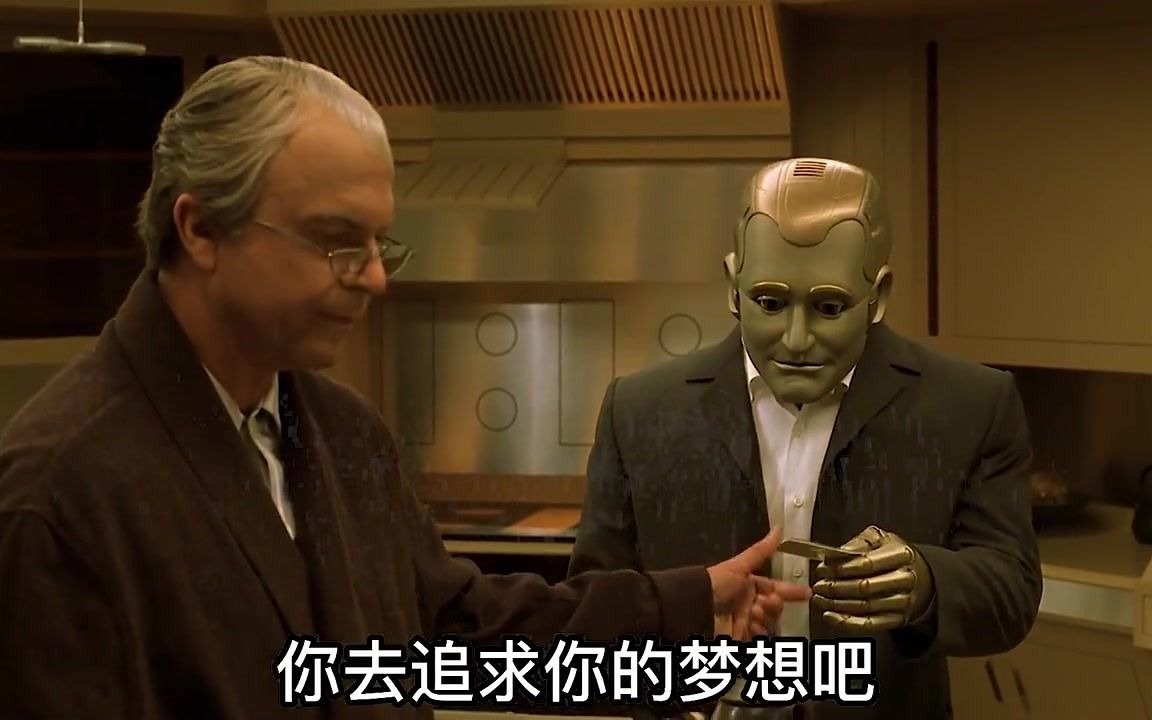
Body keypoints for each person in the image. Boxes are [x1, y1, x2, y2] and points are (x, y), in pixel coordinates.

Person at [0, 57, 813, 720]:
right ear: (200, 227)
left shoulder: (339, 429)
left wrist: (682, 609)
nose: (375, 279)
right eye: (335, 241)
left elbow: (456, 634)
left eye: (379, 244)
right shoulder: (61, 495)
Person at [568, 158, 1043, 719]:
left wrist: (925, 584)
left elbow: (1010, 591)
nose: (796, 338)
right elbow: (592, 610)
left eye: (829, 307)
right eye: (770, 303)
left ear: (879, 294)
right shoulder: (640, 411)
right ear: (732, 285)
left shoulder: (970, 405)